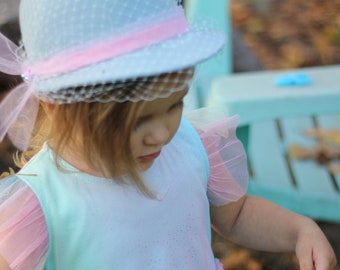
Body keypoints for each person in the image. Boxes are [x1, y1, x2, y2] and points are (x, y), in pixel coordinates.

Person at [0, 0, 336, 269]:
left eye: (174, 105)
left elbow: (236, 215)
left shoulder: (192, 145)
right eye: (136, 122)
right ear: (58, 105)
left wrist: (298, 230)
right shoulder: (39, 207)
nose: (161, 134)